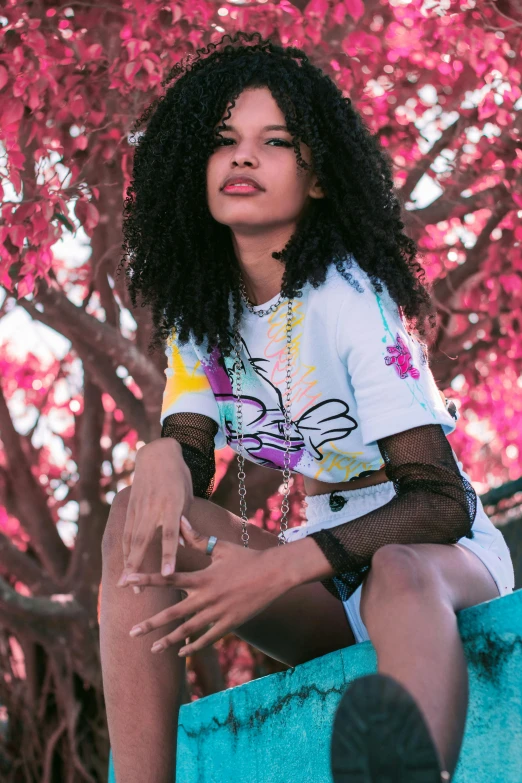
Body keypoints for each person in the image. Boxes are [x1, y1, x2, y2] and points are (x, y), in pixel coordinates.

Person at [100, 31, 515, 783]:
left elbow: (439, 501)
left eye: (275, 141)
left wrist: (277, 567)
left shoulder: (347, 297)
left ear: (317, 177)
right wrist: (161, 455)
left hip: (430, 562)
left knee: (396, 570)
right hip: (325, 584)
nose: (243, 156)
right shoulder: (203, 311)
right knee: (137, 523)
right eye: (223, 140)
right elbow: (187, 460)